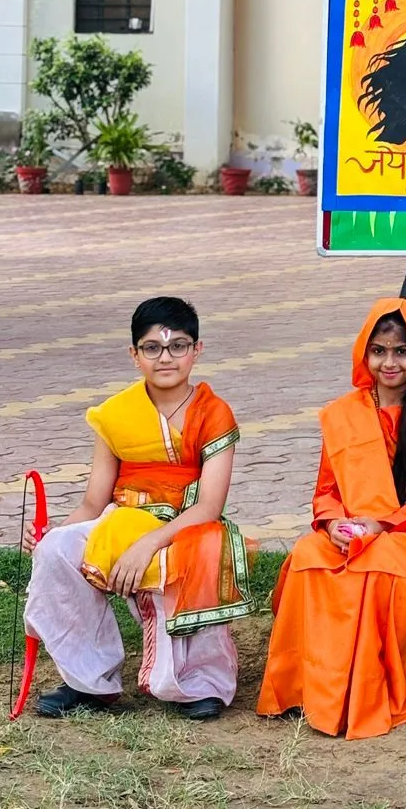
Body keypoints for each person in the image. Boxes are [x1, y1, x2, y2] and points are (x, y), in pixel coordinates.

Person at [258, 298, 406, 739]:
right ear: (365, 353)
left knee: (381, 571)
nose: (390, 362)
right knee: (307, 556)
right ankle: (304, 690)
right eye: (379, 350)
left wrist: (380, 526)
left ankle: (362, 693)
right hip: (348, 528)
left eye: (401, 351)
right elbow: (325, 491)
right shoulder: (345, 414)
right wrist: (333, 524)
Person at [23, 296, 250, 719]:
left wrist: (148, 543)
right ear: (134, 354)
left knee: (194, 555)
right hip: (119, 521)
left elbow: (210, 505)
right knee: (57, 552)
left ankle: (196, 684)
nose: (166, 357)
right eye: (152, 347)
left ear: (196, 350)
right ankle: (89, 682)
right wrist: (52, 534)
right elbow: (95, 501)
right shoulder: (116, 415)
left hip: (186, 525)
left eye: (178, 346)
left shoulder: (214, 413)